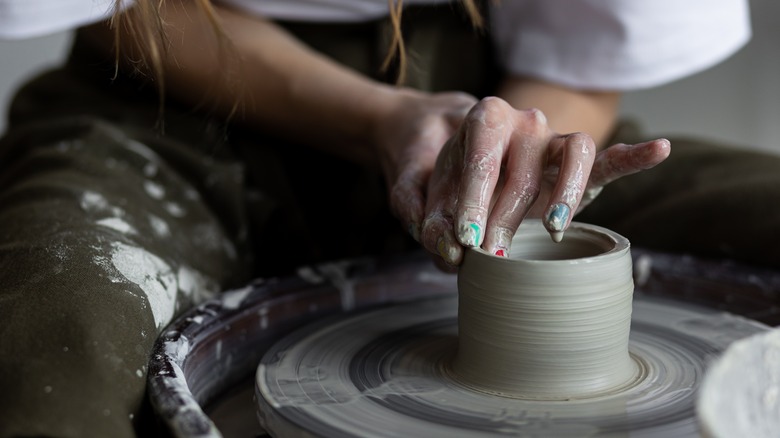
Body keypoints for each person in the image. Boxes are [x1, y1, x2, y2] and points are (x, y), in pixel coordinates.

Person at [0, 0, 773, 436]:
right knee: (61, 348)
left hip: (478, 106)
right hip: (175, 95)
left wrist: (514, 158)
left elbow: (588, 51)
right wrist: (380, 117)